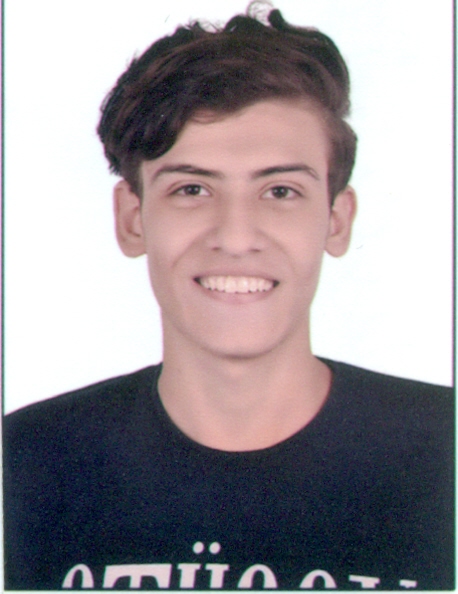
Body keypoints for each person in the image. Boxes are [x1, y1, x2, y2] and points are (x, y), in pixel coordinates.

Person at [3, 4, 454, 591]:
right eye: (192, 189)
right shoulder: (21, 466)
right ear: (133, 218)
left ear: (337, 220)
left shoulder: (445, 456)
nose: (236, 238)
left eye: (280, 191)